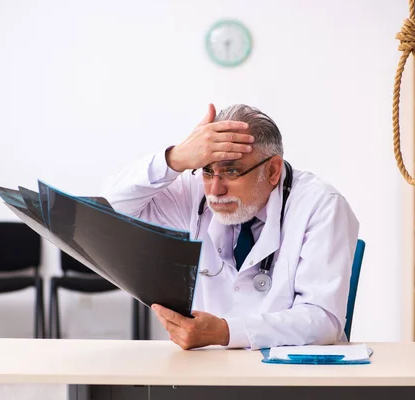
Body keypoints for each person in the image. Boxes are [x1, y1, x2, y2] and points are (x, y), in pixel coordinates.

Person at [102, 103, 360, 350]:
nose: (216, 189)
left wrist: (225, 332)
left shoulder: (321, 205)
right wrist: (175, 158)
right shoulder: (194, 194)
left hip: (291, 378)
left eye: (232, 172)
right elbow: (110, 209)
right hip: (211, 373)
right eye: (207, 171)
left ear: (272, 171)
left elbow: (323, 321)